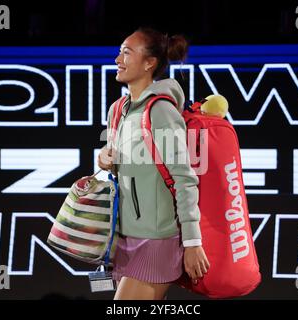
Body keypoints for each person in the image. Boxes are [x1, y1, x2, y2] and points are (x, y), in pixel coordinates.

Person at [98, 27, 210, 300]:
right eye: (119, 51)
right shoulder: (117, 109)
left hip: (157, 239)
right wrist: (104, 158)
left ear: (150, 63)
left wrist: (193, 242)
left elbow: (184, 178)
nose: (118, 59)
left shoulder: (161, 110)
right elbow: (121, 159)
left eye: (127, 52)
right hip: (122, 237)